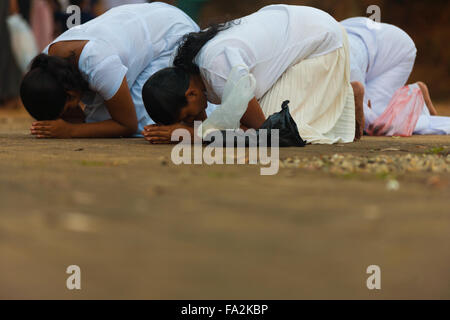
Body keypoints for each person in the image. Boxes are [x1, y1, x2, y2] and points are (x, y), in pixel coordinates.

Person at [142, 4, 365, 145]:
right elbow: (220, 124)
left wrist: (192, 135)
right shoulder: (185, 67)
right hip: (302, 24)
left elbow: (265, 131)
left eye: (188, 117)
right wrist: (199, 130)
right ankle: (340, 95)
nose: (192, 122)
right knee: (237, 126)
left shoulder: (217, 69)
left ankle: (347, 92)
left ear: (191, 94)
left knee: (282, 131)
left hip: (321, 41)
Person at [20, 2, 200, 138]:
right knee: (97, 120)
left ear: (71, 94)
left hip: (172, 33)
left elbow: (127, 124)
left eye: (67, 109)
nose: (68, 115)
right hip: (147, 22)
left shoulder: (98, 62)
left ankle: (204, 130)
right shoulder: (47, 62)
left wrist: (70, 130)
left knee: (143, 122)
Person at [342, 17, 450, 135]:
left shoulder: (345, 64)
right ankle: (415, 95)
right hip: (375, 37)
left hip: (393, 50)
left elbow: (360, 115)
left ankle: (415, 98)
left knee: (378, 124)